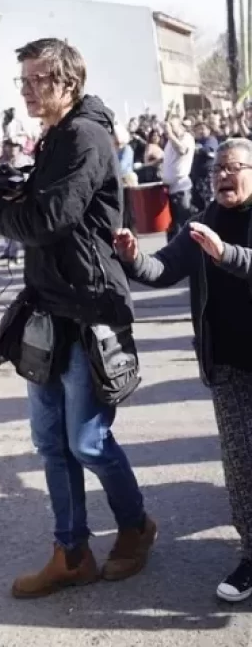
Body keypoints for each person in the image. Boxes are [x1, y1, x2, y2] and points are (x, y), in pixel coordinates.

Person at [0, 37, 155, 599]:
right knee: (51, 443)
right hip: (50, 309)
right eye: (22, 80)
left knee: (88, 442)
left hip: (90, 310)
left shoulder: (85, 136)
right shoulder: (55, 135)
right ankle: (70, 552)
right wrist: (8, 182)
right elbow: (45, 208)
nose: (25, 89)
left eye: (35, 80)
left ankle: (135, 526)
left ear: (67, 83)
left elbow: (49, 218)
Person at [114, 137, 252, 604]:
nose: (223, 176)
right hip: (228, 366)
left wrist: (227, 254)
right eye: (217, 170)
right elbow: (163, 269)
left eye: (234, 167)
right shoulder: (203, 223)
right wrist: (133, 256)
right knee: (240, 468)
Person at [161, 115, 195, 241]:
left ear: (180, 126)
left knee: (183, 223)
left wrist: (170, 134)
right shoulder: (170, 141)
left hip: (182, 188)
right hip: (170, 188)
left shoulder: (186, 138)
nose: (169, 128)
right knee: (172, 226)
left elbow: (181, 150)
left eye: (172, 125)